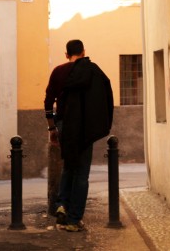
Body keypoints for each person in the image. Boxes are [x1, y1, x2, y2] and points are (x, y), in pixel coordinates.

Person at [44, 39, 114, 232]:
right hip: (85, 126)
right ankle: (74, 219)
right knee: (82, 173)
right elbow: (105, 94)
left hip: (64, 124)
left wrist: (52, 128)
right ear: (83, 52)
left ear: (66, 54)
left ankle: (62, 205)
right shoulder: (92, 71)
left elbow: (48, 101)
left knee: (69, 166)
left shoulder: (59, 72)